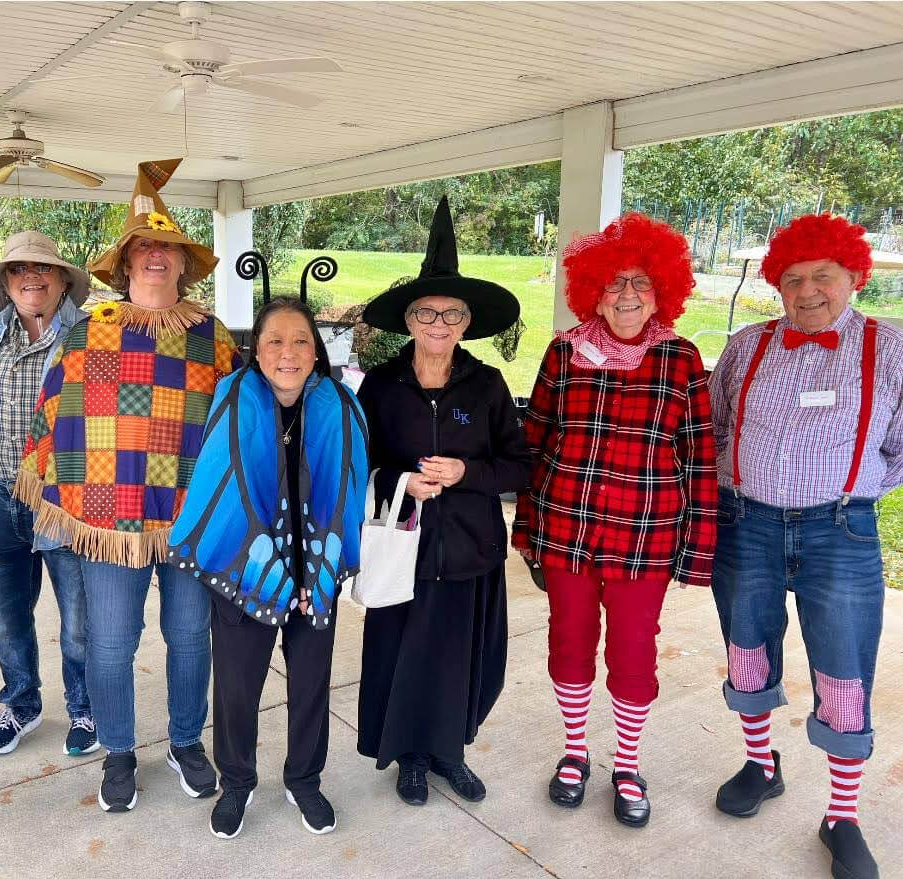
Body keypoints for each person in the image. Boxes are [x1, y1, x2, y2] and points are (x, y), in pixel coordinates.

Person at [16, 159, 241, 813]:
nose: (155, 257)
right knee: (111, 641)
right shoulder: (89, 331)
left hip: (190, 516)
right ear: (125, 262)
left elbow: (234, 423)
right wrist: (54, 487)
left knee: (190, 635)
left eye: (166, 248)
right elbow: (58, 416)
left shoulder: (211, 338)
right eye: (143, 247)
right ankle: (118, 750)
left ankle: (185, 741)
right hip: (106, 512)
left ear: (183, 262)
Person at [709, 214, 900, 879]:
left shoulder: (890, 347)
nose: (808, 290)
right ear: (777, 284)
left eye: (824, 275)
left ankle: (841, 816)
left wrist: (853, 487)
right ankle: (760, 765)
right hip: (748, 523)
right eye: (793, 278)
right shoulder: (747, 345)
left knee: (843, 667)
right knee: (747, 648)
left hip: (839, 531)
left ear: (853, 276)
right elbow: (715, 425)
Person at [513, 213, 717, 828]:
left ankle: (627, 764)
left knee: (632, 654)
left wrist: (697, 551)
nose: (627, 294)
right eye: (614, 282)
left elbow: (698, 457)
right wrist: (527, 531)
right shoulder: (564, 351)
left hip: (645, 539)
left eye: (641, 282)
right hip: (566, 530)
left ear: (662, 291)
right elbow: (534, 442)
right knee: (569, 643)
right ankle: (575, 753)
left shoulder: (681, 358)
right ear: (593, 290)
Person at [170, 296, 368, 839]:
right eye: (275, 341)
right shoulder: (233, 397)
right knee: (237, 689)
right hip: (246, 571)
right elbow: (220, 488)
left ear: (316, 351)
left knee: (310, 685)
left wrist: (315, 574)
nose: (288, 353)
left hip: (316, 575)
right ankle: (237, 783)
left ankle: (304, 780)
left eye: (301, 341)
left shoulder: (340, 405)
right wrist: (269, 571)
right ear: (255, 351)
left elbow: (347, 493)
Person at [356, 196, 531, 808]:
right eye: (427, 312)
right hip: (401, 548)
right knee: (403, 656)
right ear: (409, 320)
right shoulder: (381, 386)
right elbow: (357, 465)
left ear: (466, 322)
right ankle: (409, 756)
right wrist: (401, 481)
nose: (439, 324)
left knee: (460, 660)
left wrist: (465, 471)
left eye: (451, 314)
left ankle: (450, 752)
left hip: (468, 549)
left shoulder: (486, 385)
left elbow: (518, 465)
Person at [0, 232, 96, 756]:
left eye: (43, 268)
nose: (31, 277)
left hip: (62, 502)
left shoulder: (89, 333)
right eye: (17, 269)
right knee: (0, 619)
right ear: (6, 283)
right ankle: (21, 704)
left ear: (63, 281)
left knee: (79, 623)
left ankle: (85, 708)